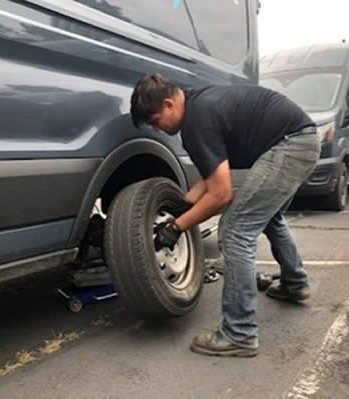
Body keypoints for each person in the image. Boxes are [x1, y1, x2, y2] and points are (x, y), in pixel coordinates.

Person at [130, 73, 319, 358]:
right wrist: (185, 204)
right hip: (301, 140)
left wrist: (177, 227)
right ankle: (295, 284)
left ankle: (239, 333)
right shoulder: (199, 106)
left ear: (169, 104)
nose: (157, 129)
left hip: (290, 145)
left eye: (155, 121)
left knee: (234, 230)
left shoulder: (197, 122)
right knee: (269, 217)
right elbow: (211, 177)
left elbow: (221, 195)